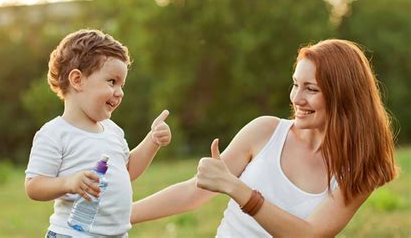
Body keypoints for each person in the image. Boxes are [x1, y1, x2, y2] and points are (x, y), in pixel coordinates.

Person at [131, 39, 398, 237]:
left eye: (311, 89)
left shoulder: (362, 168)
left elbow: (309, 234)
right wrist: (120, 214)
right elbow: (193, 193)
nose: (296, 98)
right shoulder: (265, 131)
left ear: (343, 95)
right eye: (295, 84)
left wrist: (237, 189)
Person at [24, 29, 171, 238]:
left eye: (122, 84)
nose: (120, 92)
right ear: (77, 80)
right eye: (112, 81)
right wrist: (68, 182)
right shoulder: (54, 133)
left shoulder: (113, 131)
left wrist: (153, 140)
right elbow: (34, 186)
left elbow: (127, 171)